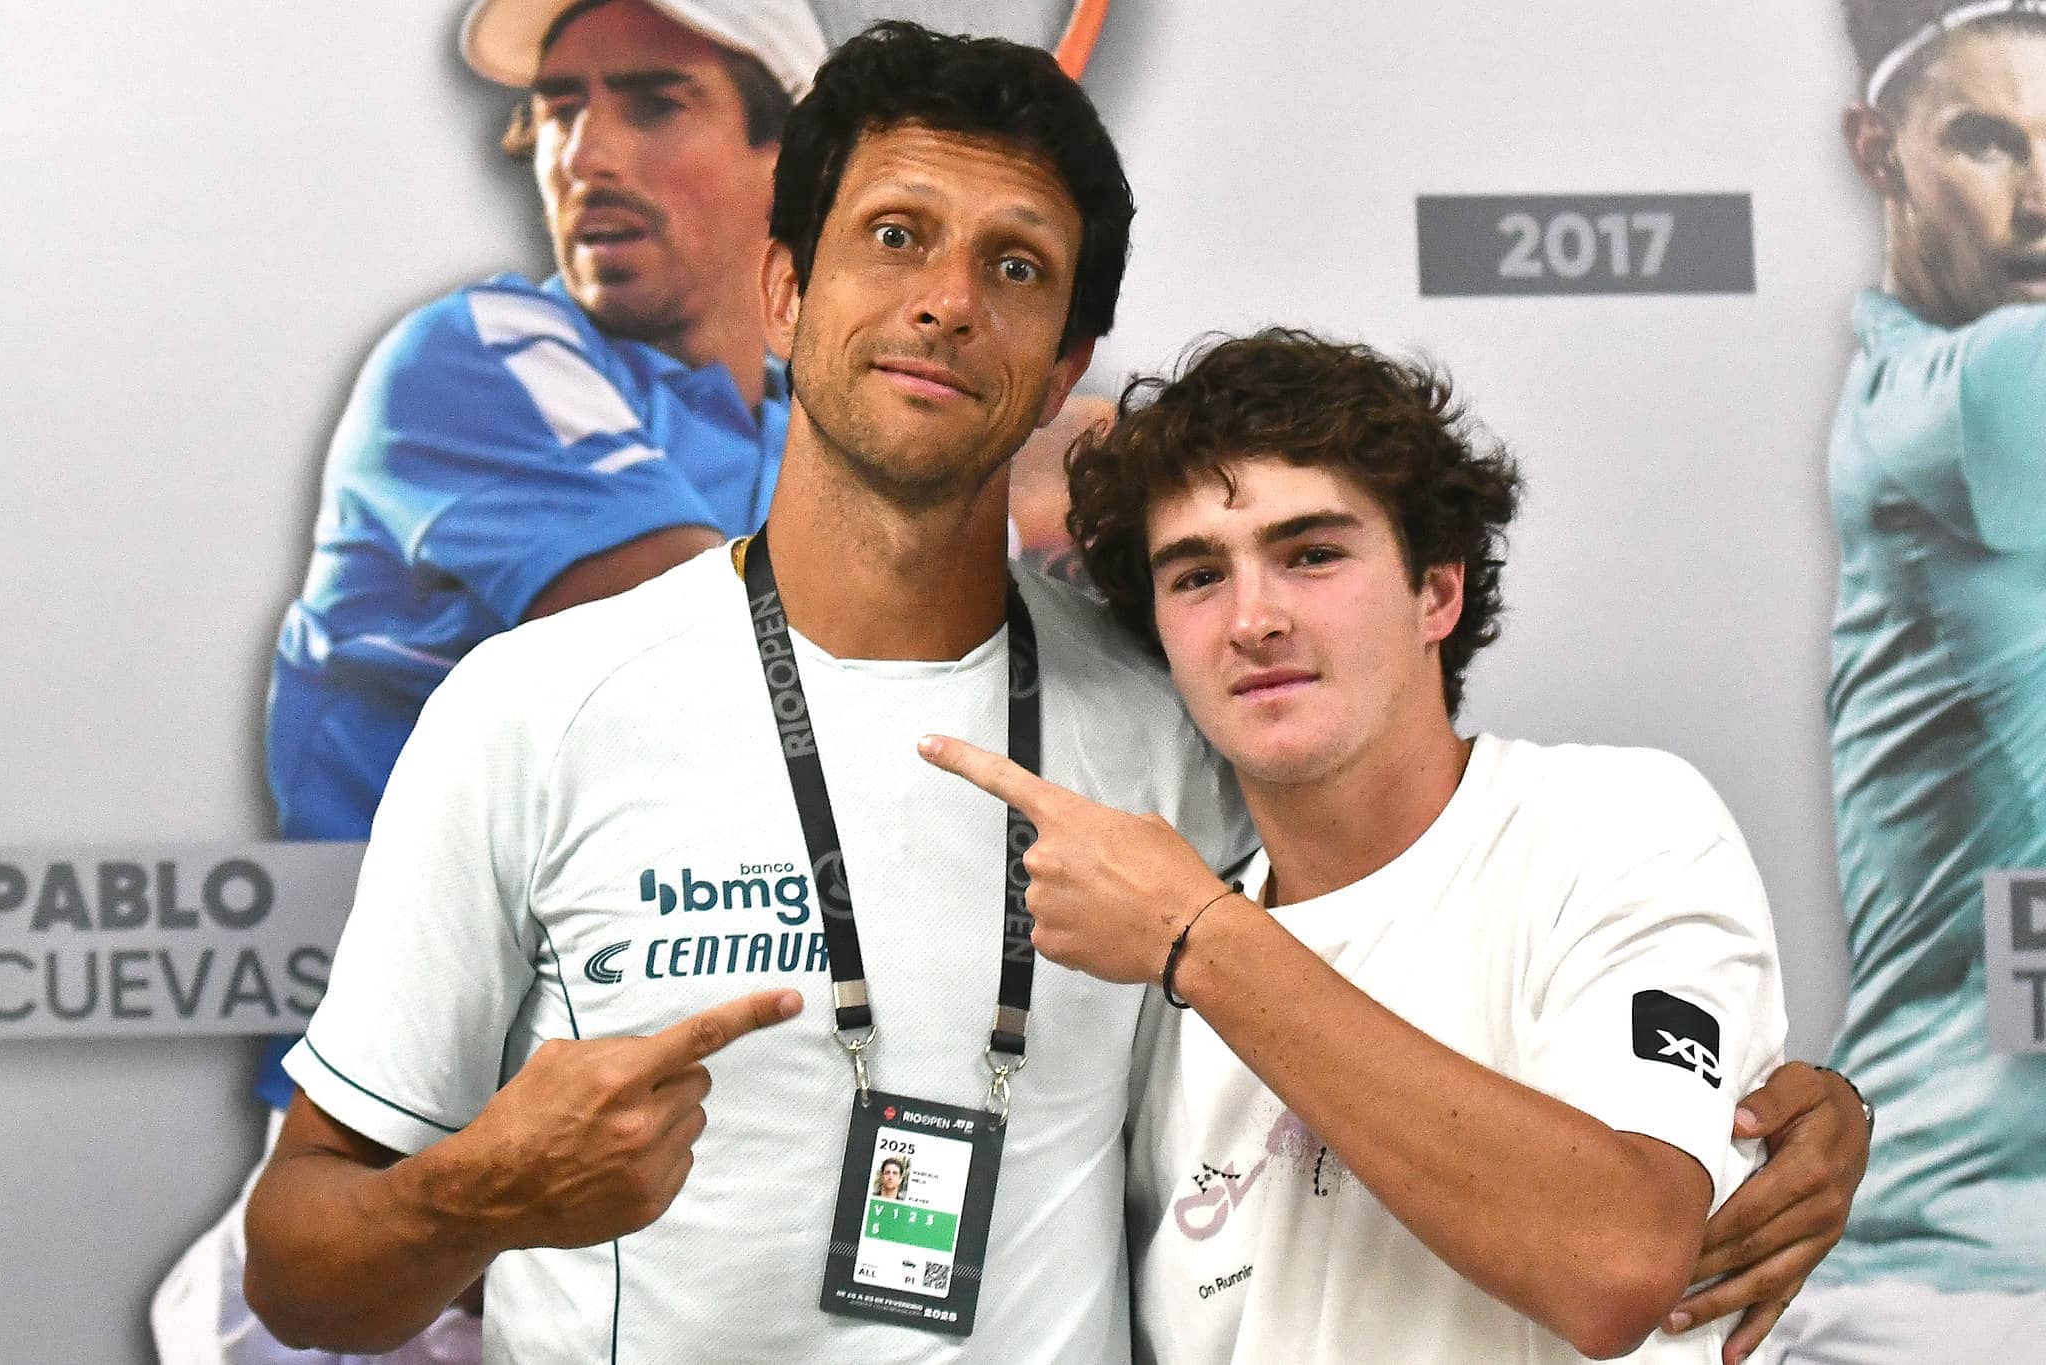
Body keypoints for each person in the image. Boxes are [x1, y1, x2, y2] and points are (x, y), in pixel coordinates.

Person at [243, 23, 1870, 1363]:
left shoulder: (1187, 717)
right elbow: (298, 1262)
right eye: (895, 238)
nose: (948, 299)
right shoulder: (534, 708)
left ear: (1062, 365)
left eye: (1014, 267)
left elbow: (1438, 956)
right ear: (787, 290)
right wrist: (475, 1197)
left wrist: (1774, 1117)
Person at [915, 330, 1842, 1364]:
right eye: (1197, 576)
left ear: (1435, 591)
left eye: (1311, 555)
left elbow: (1616, 1261)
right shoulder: (1151, 963)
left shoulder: (1613, 824)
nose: (1252, 619)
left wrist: (1198, 940)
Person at [152, 2, 823, 1361]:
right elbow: (726, 659)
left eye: (652, 102)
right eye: (563, 108)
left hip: (659, 1244)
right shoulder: (479, 357)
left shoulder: (800, 431)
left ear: (791, 164)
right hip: (393, 1247)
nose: (585, 153)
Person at [1767, 4, 2046, 1358]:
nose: (2042, 197)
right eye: (1990, 141)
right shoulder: (1983, 390)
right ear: (1876, 150)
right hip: (1959, 1291)